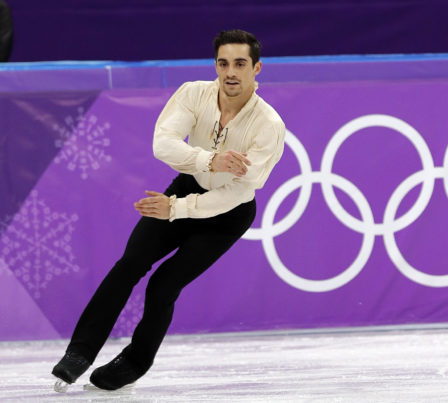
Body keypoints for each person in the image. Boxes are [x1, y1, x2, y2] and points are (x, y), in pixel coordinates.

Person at [51, 29, 286, 392]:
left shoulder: (268, 125)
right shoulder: (194, 93)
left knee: (164, 285)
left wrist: (176, 208)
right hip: (187, 186)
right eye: (223, 63)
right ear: (215, 65)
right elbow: (163, 144)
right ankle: (79, 353)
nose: (230, 72)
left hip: (227, 215)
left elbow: (238, 191)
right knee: (130, 264)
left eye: (240, 64)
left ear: (257, 68)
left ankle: (134, 362)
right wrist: (209, 161)